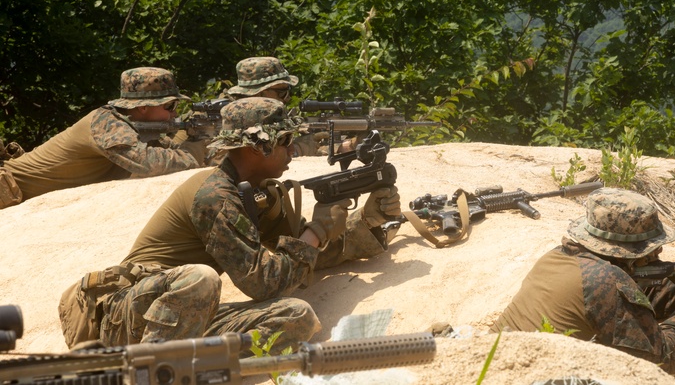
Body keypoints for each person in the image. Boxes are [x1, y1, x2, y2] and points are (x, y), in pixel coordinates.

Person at [58, 97, 400, 353]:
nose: (292, 150)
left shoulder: (255, 194)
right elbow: (264, 284)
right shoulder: (214, 195)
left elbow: (293, 264)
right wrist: (316, 231)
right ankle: (148, 371)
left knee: (297, 317)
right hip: (128, 315)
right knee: (201, 278)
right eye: (283, 141)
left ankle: (194, 365)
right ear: (256, 147)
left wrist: (366, 221)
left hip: (184, 317)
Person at [491, 188, 675, 374]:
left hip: (493, 363)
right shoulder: (606, 280)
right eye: (650, 248)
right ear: (628, 253)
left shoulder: (561, 256)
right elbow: (662, 360)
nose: (657, 253)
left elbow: (652, 293)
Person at [1, 67, 206, 207]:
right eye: (170, 106)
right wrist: (196, 148)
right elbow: (152, 163)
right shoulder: (106, 124)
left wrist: (199, 133)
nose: (174, 114)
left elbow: (172, 150)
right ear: (143, 107)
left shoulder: (134, 128)